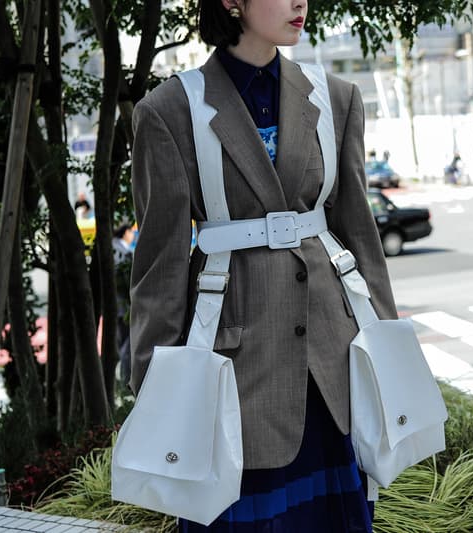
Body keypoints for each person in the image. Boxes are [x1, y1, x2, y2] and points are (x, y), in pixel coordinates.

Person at [129, 0, 397, 530]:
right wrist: (153, 387)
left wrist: (388, 346)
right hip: (234, 370)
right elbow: (158, 267)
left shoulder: (336, 98)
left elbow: (360, 236)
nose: (301, 2)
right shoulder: (170, 110)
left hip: (332, 364)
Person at [112, 224, 136, 388]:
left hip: (114, 306)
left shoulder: (111, 248)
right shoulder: (124, 252)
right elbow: (128, 282)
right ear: (126, 232)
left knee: (121, 342)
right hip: (125, 306)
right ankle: (125, 378)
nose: (133, 235)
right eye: (132, 232)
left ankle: (119, 378)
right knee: (127, 345)